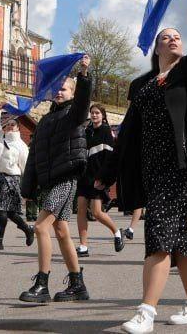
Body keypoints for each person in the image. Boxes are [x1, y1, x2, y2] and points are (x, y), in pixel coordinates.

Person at [98, 0, 187, 333]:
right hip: (151, 170)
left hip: (180, 167)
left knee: (159, 234)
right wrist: (107, 175)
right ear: (156, 46)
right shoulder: (143, 85)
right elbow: (129, 135)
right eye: (165, 36)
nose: (172, 39)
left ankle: (146, 312)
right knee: (181, 238)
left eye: (176, 36)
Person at [18, 56, 94, 303]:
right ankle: (77, 284)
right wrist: (28, 185)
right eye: (57, 88)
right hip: (50, 182)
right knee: (61, 231)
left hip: (65, 179)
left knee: (40, 227)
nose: (59, 92)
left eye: (64, 89)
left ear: (72, 93)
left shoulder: (74, 113)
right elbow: (34, 156)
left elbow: (84, 100)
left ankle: (42, 284)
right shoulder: (46, 120)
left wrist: (83, 74)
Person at [0, 99, 35, 250]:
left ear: (18, 128)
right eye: (8, 124)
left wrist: (27, 188)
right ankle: (27, 229)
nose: (9, 126)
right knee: (11, 213)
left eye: (13, 125)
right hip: (0, 176)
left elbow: (26, 167)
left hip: (12, 179)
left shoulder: (21, 146)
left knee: (2, 209)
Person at [76, 103, 124, 258]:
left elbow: (110, 158)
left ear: (103, 116)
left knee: (96, 212)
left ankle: (117, 232)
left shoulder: (106, 131)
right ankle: (83, 246)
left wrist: (103, 178)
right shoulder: (86, 131)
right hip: (84, 177)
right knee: (81, 210)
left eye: (97, 113)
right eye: (92, 113)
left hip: (98, 178)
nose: (94, 115)